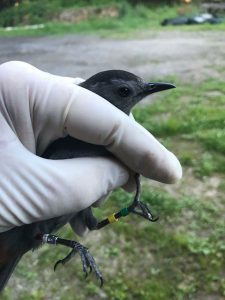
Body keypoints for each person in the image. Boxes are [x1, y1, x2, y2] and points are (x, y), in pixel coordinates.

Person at [0, 61, 182, 235]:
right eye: (124, 91)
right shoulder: (64, 135)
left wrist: (125, 210)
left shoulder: (112, 134)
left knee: (90, 225)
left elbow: (91, 225)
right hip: (18, 232)